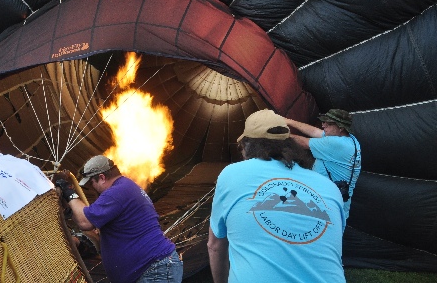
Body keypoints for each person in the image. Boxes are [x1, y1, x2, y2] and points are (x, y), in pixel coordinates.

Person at [208, 109, 346, 283]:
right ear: (290, 144)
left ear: (247, 145)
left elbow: (215, 246)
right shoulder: (329, 187)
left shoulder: (231, 174)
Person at [58, 155, 182, 283]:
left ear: (102, 178)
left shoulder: (116, 193)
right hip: (152, 269)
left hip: (154, 270)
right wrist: (69, 209)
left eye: (91, 183)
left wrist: (69, 193)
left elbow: (85, 222)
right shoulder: (126, 187)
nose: (91, 188)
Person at [284, 109, 361, 218]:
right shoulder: (350, 140)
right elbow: (315, 132)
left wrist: (277, 133)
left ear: (341, 128)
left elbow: (304, 143)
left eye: (328, 124)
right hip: (332, 205)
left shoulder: (336, 144)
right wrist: (288, 121)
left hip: (326, 208)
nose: (323, 125)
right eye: (324, 121)